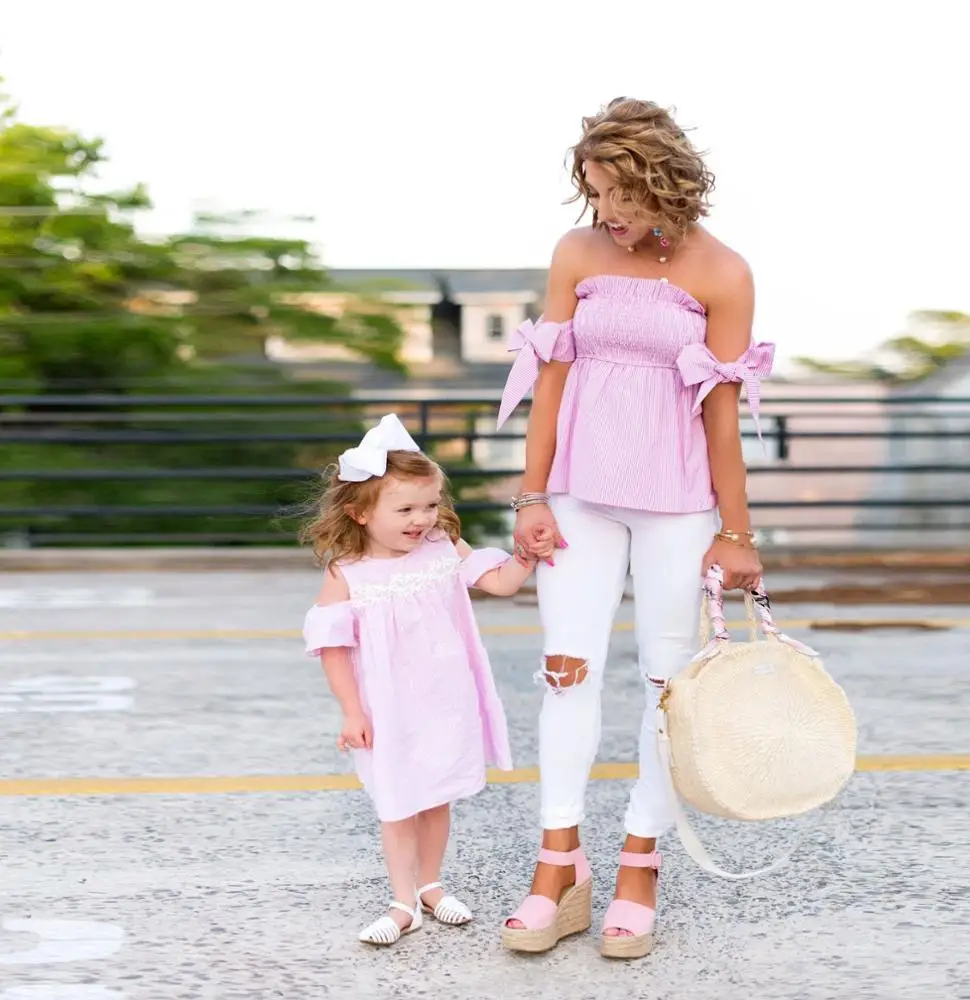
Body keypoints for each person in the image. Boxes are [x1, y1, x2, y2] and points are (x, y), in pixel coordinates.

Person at [497, 97, 774, 960]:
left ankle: (639, 865)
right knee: (565, 672)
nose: (607, 213)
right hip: (579, 491)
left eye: (621, 193)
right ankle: (558, 864)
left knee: (666, 684)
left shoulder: (722, 271)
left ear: (666, 181)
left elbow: (721, 417)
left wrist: (738, 533)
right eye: (594, 193)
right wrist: (531, 496)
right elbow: (548, 381)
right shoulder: (577, 254)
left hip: (679, 504)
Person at [300, 414, 551, 947]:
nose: (422, 519)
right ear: (360, 513)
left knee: (437, 795)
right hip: (386, 705)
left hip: (445, 697)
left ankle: (432, 885)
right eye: (406, 509)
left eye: (431, 505)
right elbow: (332, 647)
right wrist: (351, 711)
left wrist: (526, 555)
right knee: (396, 800)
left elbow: (499, 582)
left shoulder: (441, 548)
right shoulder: (348, 571)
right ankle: (402, 900)